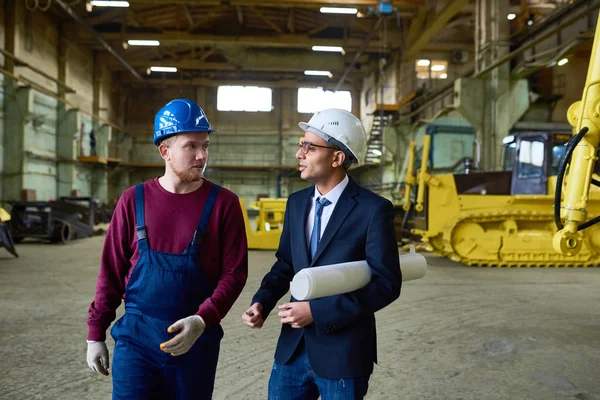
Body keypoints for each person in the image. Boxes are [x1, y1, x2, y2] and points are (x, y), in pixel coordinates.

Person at [86, 98, 248, 400]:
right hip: (136, 340)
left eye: (206, 146)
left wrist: (202, 320)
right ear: (165, 151)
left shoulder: (224, 204)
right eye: (191, 146)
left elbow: (234, 274)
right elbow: (111, 271)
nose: (202, 156)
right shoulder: (133, 200)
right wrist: (95, 334)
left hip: (195, 342)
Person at [242, 108, 402, 399]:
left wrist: (316, 312)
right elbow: (286, 264)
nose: (299, 154)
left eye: (309, 147)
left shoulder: (372, 210)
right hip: (292, 350)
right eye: (301, 145)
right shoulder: (297, 203)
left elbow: (386, 284)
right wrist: (262, 302)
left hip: (344, 352)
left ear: (337, 158)